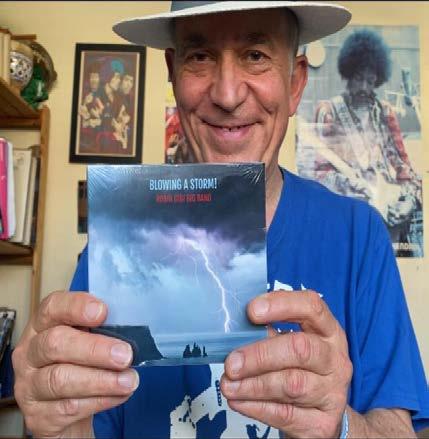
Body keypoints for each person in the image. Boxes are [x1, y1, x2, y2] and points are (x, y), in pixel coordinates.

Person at [12, 2, 429, 438]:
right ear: (173, 74)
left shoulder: (359, 235)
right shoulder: (112, 248)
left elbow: (398, 430)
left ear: (295, 83)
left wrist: (339, 427)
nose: (227, 95)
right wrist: (58, 426)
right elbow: (81, 427)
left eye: (255, 55)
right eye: (200, 56)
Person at [309, 30, 422, 256]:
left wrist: (409, 200)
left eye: (370, 81)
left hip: (390, 220)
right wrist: (364, 196)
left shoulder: (385, 113)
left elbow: (404, 168)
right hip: (349, 219)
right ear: (348, 74)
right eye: (358, 79)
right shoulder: (329, 112)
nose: (363, 87)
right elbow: (320, 176)